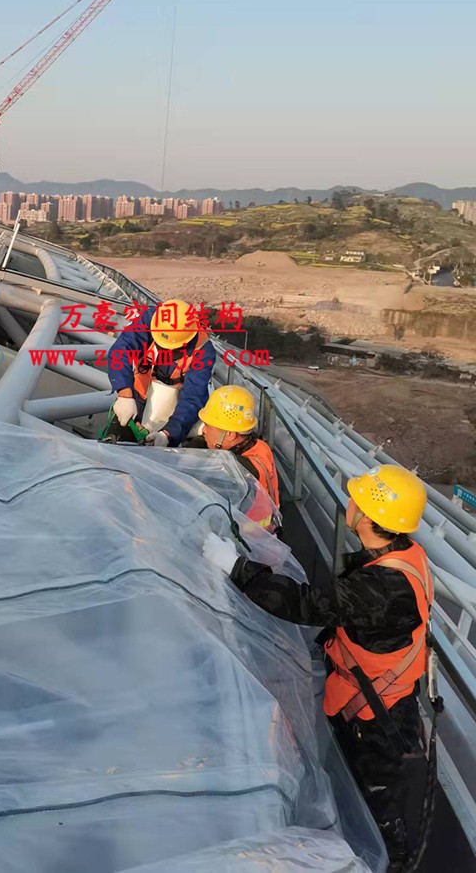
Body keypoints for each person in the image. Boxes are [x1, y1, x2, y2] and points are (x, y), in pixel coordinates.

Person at [203, 464, 432, 869]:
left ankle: (389, 863)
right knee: (370, 794)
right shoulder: (405, 557)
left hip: (376, 718)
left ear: (369, 515)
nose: (350, 503)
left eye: (357, 500)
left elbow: (303, 604)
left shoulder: (381, 586)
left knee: (378, 804)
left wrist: (236, 568)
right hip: (385, 703)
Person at [108, 299, 215, 447]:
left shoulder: (203, 350)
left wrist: (168, 434)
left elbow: (193, 397)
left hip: (171, 408)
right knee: (117, 440)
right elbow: (120, 351)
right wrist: (124, 395)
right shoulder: (152, 320)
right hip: (137, 396)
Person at [182, 385, 280, 531]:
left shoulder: (242, 470)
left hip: (248, 539)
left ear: (230, 434)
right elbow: (206, 442)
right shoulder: (258, 446)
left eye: (208, 426)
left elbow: (218, 469)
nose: (203, 431)